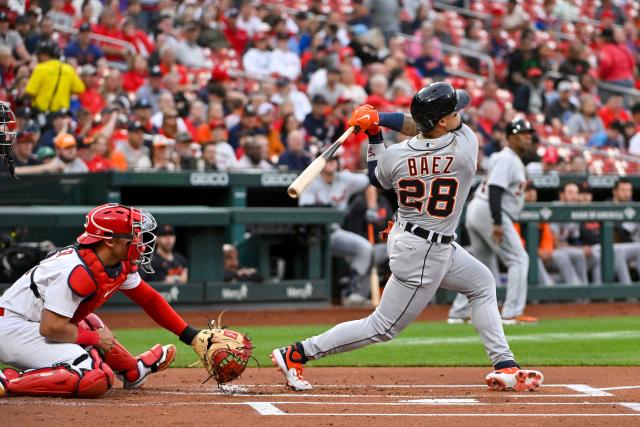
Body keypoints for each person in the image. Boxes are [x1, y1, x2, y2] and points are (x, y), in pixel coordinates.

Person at [271, 83, 543, 392]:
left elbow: (376, 174)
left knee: (481, 283)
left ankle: (505, 364)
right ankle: (297, 353)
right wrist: (381, 119)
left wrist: (374, 130)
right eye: (454, 111)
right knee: (382, 327)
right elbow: (422, 123)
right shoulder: (466, 146)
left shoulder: (397, 156)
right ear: (442, 121)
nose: (459, 114)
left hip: (415, 237)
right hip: (425, 251)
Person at [0, 204, 207, 398]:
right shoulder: (74, 270)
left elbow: (149, 299)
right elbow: (51, 328)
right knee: (94, 376)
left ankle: (134, 371)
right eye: (133, 237)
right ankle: (7, 381)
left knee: (91, 322)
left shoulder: (115, 261)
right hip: (12, 329)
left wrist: (192, 336)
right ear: (110, 241)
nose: (140, 242)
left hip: (33, 324)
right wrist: (94, 339)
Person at [448, 118, 537, 325]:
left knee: (482, 266)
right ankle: (511, 312)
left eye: (529, 134)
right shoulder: (507, 158)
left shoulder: (510, 158)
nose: (527, 138)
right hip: (490, 210)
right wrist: (497, 222)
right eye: (522, 134)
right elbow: (496, 189)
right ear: (510, 138)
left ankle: (459, 312)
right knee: (519, 259)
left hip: (481, 209)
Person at [299, 155, 379, 305]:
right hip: (314, 234)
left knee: (366, 249)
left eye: (333, 159)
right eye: (327, 159)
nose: (331, 162)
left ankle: (351, 294)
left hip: (334, 233)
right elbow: (305, 209)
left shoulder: (345, 178)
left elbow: (370, 181)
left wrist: (372, 207)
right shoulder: (311, 181)